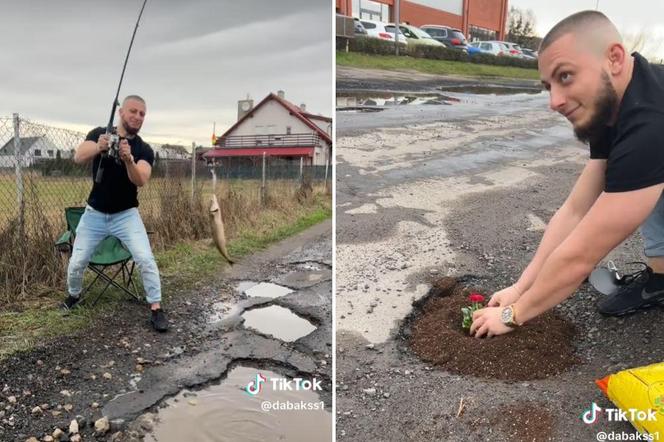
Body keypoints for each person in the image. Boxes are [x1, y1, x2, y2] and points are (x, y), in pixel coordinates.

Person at [470, 10, 664, 338]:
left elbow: (581, 255)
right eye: (548, 86)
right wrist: (520, 288)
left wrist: (512, 314)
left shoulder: (650, 122)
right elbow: (575, 211)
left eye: (565, 76)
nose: (555, 101)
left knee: (640, 173)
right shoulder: (613, 105)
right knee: (639, 178)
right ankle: (661, 281)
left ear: (614, 59)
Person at [62, 95, 168, 332]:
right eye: (133, 111)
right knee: (77, 261)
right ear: (121, 112)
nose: (138, 117)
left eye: (142, 114)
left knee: (145, 259)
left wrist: (129, 160)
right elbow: (79, 156)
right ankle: (73, 296)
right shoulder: (99, 133)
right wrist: (100, 146)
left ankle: (156, 308)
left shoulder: (144, 149)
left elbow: (140, 179)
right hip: (95, 214)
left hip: (126, 215)